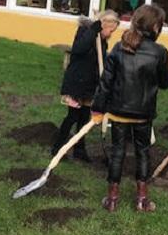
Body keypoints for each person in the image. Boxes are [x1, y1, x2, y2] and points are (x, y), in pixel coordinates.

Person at [91, 4, 168, 212]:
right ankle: (142, 200)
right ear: (155, 27)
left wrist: (97, 108)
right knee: (143, 152)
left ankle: (112, 200)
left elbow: (105, 82)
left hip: (118, 111)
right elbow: (166, 82)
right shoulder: (160, 52)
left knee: (117, 152)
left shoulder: (119, 47)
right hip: (143, 114)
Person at [51, 10, 120, 162]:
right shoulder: (86, 31)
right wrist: (94, 30)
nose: (110, 34)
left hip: (90, 85)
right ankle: (57, 148)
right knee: (73, 116)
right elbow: (79, 49)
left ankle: (79, 150)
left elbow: (99, 60)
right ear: (104, 24)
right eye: (110, 30)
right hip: (76, 83)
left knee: (84, 118)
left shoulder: (101, 40)